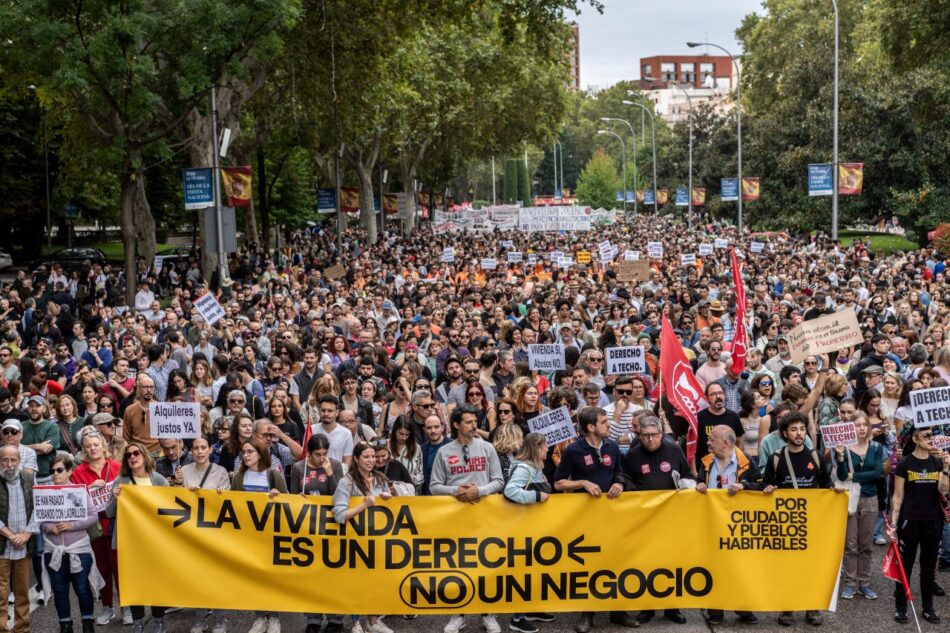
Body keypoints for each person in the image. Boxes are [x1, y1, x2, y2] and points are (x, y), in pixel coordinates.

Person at [555, 406, 639, 632]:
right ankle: (587, 615)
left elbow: (621, 471)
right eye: (604, 422)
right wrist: (582, 483)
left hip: (613, 516)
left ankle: (618, 612)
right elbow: (558, 482)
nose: (608, 424)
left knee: (617, 561)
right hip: (587, 518)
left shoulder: (612, 446)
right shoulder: (573, 451)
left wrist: (619, 483)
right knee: (590, 565)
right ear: (591, 427)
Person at [762, 413, 845, 626]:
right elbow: (766, 485)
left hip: (811, 523)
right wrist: (768, 488)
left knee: (812, 566)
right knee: (787, 566)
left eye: (801, 429)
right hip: (786, 525)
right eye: (793, 429)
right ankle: (787, 607)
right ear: (784, 433)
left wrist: (833, 490)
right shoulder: (776, 458)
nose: (799, 434)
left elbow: (825, 484)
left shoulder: (815, 457)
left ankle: (812, 606)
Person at [430, 404, 505, 633]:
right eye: (469, 422)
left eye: (476, 421)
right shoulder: (444, 451)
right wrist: (456, 492)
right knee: (457, 566)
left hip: (484, 516)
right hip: (456, 519)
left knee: (487, 565)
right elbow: (433, 486)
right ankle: (458, 614)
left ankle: (488, 614)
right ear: (456, 425)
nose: (475, 426)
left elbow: (499, 481)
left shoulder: (487, 448)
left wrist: (479, 491)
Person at [621, 415, 689, 624]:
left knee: (672, 562)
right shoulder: (632, 456)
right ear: (639, 436)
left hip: (671, 519)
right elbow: (626, 479)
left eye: (654, 435)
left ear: (661, 434)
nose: (650, 439)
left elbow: (687, 475)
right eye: (646, 436)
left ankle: (672, 607)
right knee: (646, 563)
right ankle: (647, 607)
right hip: (644, 519)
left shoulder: (674, 450)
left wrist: (692, 485)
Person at [695, 425, 761, 625]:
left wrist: (745, 485)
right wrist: (698, 485)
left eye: (711, 439)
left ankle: (744, 610)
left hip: (739, 528)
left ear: (725, 442)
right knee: (714, 568)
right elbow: (698, 482)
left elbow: (762, 484)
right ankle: (715, 612)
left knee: (740, 568)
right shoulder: (706, 462)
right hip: (712, 526)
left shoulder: (747, 462)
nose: (707, 443)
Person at [887, 426, 950, 624]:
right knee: (905, 565)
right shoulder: (905, 463)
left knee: (928, 567)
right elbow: (897, 496)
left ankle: (928, 608)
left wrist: (947, 469)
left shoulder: (937, 462)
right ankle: (901, 607)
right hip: (910, 521)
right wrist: (894, 525)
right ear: (915, 439)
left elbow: (943, 490)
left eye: (933, 435)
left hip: (933, 521)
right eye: (927, 435)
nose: (932, 439)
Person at [331, 441, 393, 633]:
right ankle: (356, 623)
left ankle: (373, 621)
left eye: (373, 456)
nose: (371, 460)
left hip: (377, 541)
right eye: (366, 457)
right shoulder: (346, 482)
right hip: (355, 541)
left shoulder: (381, 478)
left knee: (375, 582)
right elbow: (339, 515)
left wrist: (390, 498)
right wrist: (363, 506)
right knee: (356, 583)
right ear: (356, 459)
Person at [106, 441, 168, 633]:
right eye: (128, 455)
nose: (132, 457)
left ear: (144, 456)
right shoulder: (121, 481)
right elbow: (109, 513)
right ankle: (138, 623)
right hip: (130, 542)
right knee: (134, 584)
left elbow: (169, 508)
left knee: (157, 583)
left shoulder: (158, 480)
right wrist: (115, 498)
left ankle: (159, 622)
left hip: (154, 542)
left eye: (136, 453)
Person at [40, 451, 101, 633]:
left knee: (82, 588)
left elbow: (93, 516)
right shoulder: (44, 493)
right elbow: (41, 520)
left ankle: (87, 623)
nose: (55, 474)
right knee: (59, 590)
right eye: (52, 471)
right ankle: (65, 625)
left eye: (59, 470)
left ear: (69, 471)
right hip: (54, 548)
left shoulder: (80, 491)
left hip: (78, 548)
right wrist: (51, 528)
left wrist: (71, 525)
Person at [231, 438, 286, 633]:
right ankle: (260, 617)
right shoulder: (238, 478)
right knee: (254, 578)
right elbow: (232, 507)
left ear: (260, 454)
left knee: (272, 578)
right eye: (243, 452)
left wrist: (278, 495)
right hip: (249, 537)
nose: (245, 456)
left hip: (271, 536)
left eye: (249, 452)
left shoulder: (272, 476)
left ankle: (275, 618)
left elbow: (289, 504)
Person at [503, 432, 554, 633]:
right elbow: (510, 491)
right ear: (536, 447)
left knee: (534, 571)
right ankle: (517, 618)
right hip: (522, 528)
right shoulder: (524, 468)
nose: (548, 449)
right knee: (523, 572)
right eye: (545, 446)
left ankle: (530, 609)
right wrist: (535, 495)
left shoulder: (534, 467)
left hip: (533, 527)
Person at [70, 430, 122, 626]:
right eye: (88, 446)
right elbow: (73, 500)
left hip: (117, 524)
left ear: (103, 446)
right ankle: (107, 607)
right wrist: (88, 488)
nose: (92, 448)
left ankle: (125, 607)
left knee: (120, 567)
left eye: (95, 444)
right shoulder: (78, 473)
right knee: (102, 567)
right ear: (84, 450)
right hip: (95, 527)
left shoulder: (117, 467)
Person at [181, 436, 230, 633]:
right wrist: (186, 492)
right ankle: (200, 618)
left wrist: (220, 494)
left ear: (210, 450)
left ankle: (220, 619)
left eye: (203, 448)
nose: (200, 451)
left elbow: (227, 501)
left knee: (217, 577)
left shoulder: (221, 472)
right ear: (191, 451)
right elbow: (176, 499)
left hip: (215, 533)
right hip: (193, 533)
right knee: (198, 577)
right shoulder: (184, 471)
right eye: (196, 448)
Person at [834, 415, 884, 601]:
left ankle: (864, 583)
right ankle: (849, 583)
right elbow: (840, 475)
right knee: (850, 544)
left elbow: (877, 473)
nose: (862, 428)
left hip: (870, 498)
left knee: (866, 544)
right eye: (857, 425)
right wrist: (840, 458)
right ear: (851, 428)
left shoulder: (876, 447)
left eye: (865, 425)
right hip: (849, 499)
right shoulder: (845, 448)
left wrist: (852, 476)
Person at [0, 444, 39, 633]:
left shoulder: (30, 478)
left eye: (13, 459)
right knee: (0, 593)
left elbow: (39, 509)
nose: (9, 464)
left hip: (24, 545)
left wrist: (27, 534)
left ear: (19, 461)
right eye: (5, 460)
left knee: (22, 592)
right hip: (2, 546)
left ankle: (22, 629)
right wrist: (10, 535)